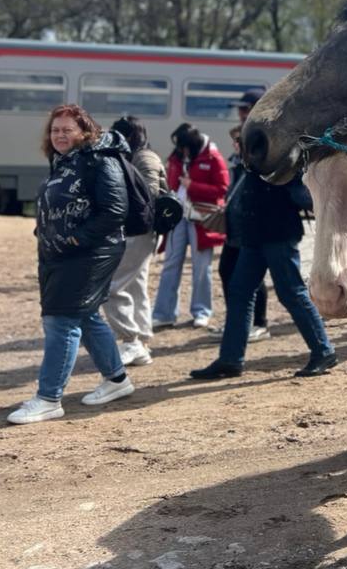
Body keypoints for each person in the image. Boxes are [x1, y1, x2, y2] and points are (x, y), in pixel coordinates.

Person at [8, 105, 135, 424]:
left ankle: (49, 398)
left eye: (67, 129)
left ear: (85, 131)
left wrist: (75, 239)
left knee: (61, 319)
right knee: (86, 315)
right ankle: (117, 380)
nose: (59, 135)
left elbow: (115, 210)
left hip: (91, 252)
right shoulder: (64, 161)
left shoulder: (100, 159)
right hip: (60, 253)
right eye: (55, 130)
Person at [189, 167, 337, 380]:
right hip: (254, 237)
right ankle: (230, 359)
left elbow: (303, 197)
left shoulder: (282, 159)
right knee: (240, 292)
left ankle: (324, 351)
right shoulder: (254, 160)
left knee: (291, 293)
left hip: (278, 235)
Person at [102, 116, 166, 367]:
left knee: (112, 286)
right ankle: (141, 341)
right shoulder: (138, 155)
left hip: (140, 230)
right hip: (139, 230)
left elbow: (149, 194)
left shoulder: (144, 158)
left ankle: (130, 339)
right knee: (136, 285)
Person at [152, 122, 228, 329]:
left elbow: (222, 188)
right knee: (170, 264)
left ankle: (201, 311)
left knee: (201, 267)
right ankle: (164, 313)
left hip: (201, 218)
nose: (181, 150)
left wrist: (193, 186)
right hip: (178, 216)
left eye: (184, 147)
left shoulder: (213, 157)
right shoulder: (177, 157)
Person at [215, 90, 269, 342]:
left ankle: (259, 323)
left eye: (245, 109)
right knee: (227, 271)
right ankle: (236, 321)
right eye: (240, 110)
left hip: (255, 224)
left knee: (254, 277)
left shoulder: (264, 139)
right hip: (235, 224)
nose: (241, 114)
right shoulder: (240, 137)